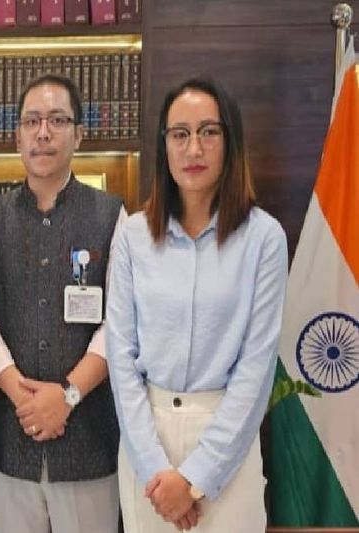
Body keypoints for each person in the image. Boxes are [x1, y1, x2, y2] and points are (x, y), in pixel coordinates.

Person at [106, 77, 288, 533]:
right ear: (164, 145)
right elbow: (120, 357)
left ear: (230, 141)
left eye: (209, 132)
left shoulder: (264, 238)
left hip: (226, 442)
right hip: (147, 443)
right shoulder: (132, 236)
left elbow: (256, 369)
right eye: (180, 134)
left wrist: (196, 479)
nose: (194, 148)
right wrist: (157, 471)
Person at [0, 74, 125, 533]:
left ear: (79, 134)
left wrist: (67, 397)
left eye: (57, 120)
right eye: (32, 121)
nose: (43, 132)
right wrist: (26, 400)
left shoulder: (112, 216)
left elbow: (121, 321)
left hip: (89, 443)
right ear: (17, 135)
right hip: (11, 440)